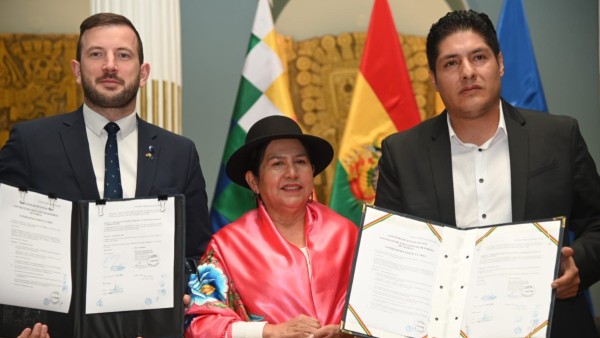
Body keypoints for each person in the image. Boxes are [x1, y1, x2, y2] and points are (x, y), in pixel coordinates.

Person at [374, 9, 600, 338]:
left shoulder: (558, 136)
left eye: (478, 57)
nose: (467, 72)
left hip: (552, 323)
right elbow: (392, 256)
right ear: (434, 79)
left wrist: (580, 261)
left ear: (500, 63)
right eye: (451, 63)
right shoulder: (402, 153)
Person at [0, 12, 212, 338]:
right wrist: (15, 327)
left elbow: (197, 253)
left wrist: (185, 296)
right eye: (96, 54)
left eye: (122, 55)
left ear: (143, 73)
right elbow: (8, 244)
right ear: (77, 69)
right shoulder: (30, 143)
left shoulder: (179, 153)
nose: (109, 65)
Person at [184, 115, 358, 338]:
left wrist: (349, 333)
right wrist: (270, 332)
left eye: (301, 162)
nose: (292, 173)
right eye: (277, 164)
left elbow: (382, 309)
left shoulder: (346, 234)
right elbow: (200, 323)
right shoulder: (227, 247)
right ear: (254, 181)